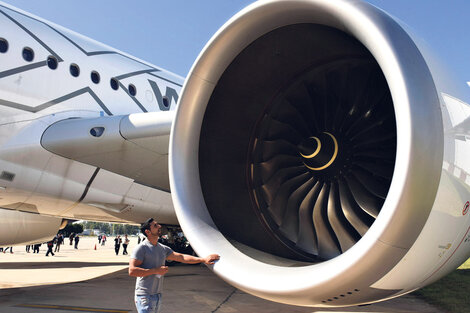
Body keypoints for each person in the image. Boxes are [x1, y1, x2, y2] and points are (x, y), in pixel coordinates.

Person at [129, 218, 219, 313]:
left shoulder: (163, 249)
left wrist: (203, 259)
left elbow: (182, 257)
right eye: (155, 226)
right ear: (148, 231)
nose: (159, 226)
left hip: (157, 295)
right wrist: (156, 271)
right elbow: (132, 271)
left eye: (158, 224)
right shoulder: (141, 248)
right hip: (144, 296)